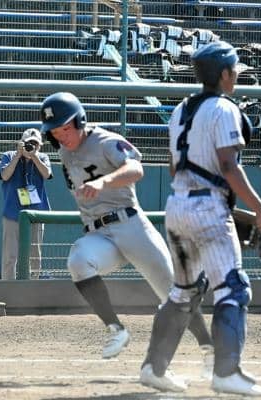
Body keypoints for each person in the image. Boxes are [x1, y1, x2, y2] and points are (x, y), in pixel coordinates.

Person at [140, 41, 261, 397]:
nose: (236, 77)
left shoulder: (181, 109)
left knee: (183, 291)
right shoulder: (224, 108)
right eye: (234, 72)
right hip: (208, 208)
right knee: (233, 288)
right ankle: (227, 373)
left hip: (177, 206)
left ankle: (154, 368)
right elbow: (229, 166)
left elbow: (174, 169)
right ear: (224, 74)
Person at [39, 92, 213, 373]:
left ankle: (210, 350)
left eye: (66, 128)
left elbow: (135, 169)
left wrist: (104, 182)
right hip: (99, 234)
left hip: (130, 225)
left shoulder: (104, 140)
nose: (62, 136)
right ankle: (116, 329)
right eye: (55, 132)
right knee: (78, 261)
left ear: (80, 120)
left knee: (173, 296)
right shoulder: (64, 152)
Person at [0, 128, 52, 280]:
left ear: (40, 146)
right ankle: (8, 288)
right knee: (10, 256)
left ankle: (32, 287)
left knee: (34, 255)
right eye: (29, 143)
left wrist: (34, 157)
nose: (32, 147)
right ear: (21, 143)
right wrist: (18, 155)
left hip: (36, 213)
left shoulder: (43, 157)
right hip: (12, 213)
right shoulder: (9, 156)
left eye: (36, 144)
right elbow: (4, 176)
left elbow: (47, 174)